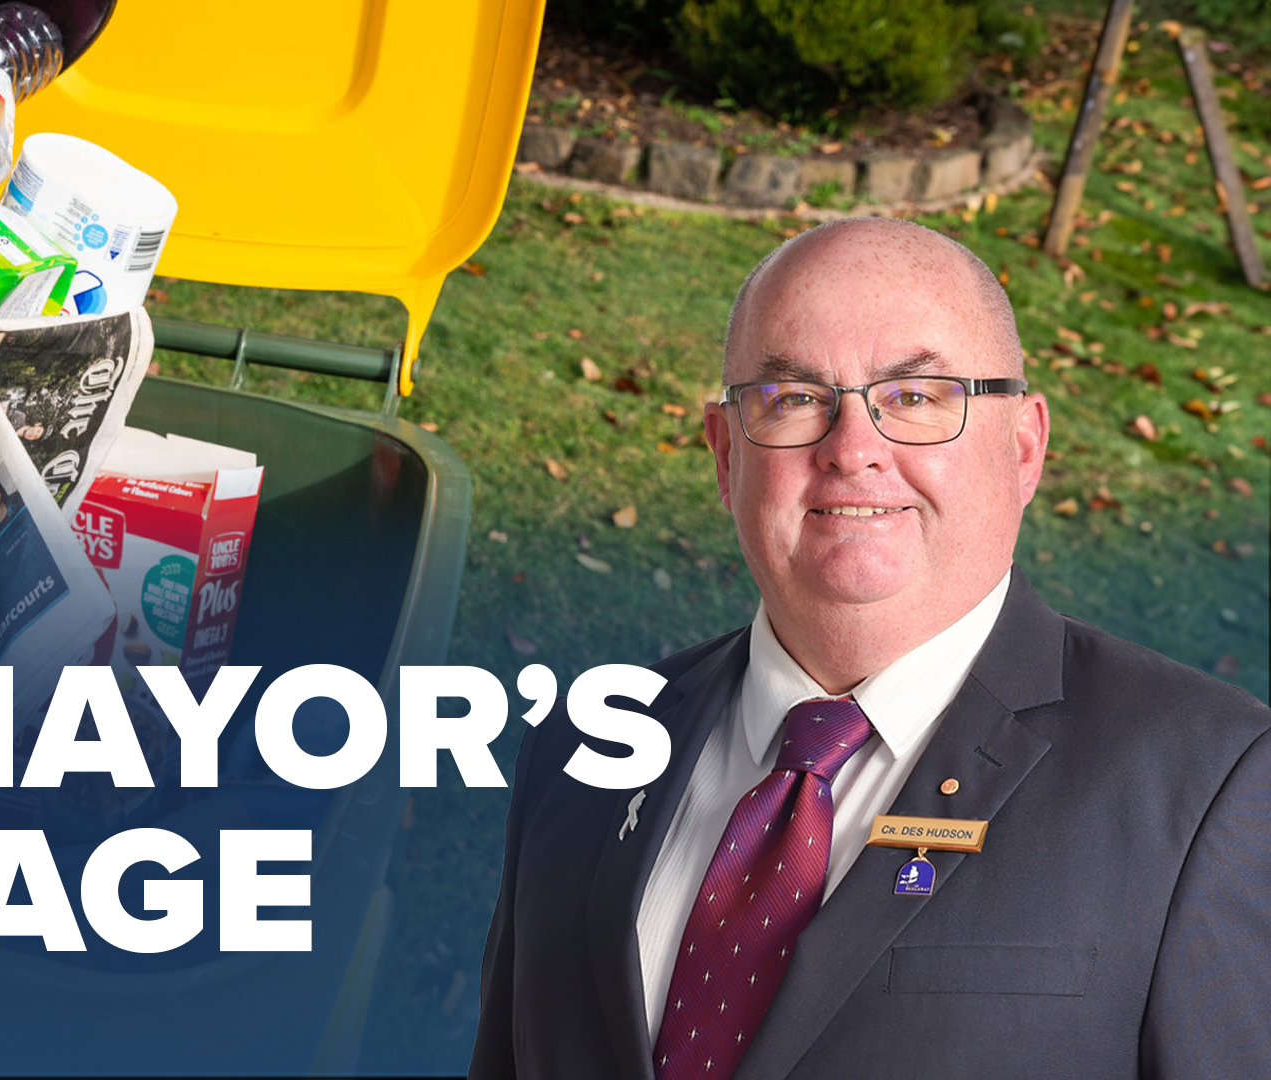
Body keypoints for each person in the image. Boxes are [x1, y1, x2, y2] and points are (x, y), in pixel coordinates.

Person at [471, 218, 1270, 1080]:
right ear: (723, 453)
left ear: (1026, 446)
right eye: (793, 400)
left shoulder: (1210, 786)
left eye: (917, 398)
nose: (853, 451)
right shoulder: (583, 749)